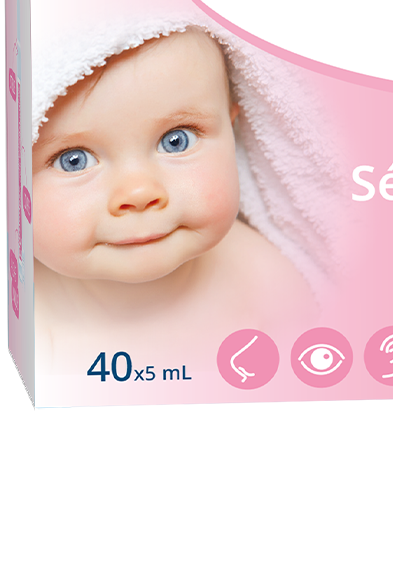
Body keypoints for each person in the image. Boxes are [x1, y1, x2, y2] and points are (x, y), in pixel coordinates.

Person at [32, 27, 320, 371]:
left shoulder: (265, 282)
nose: (139, 193)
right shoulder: (29, 317)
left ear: (232, 132)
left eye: (176, 141)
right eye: (74, 160)